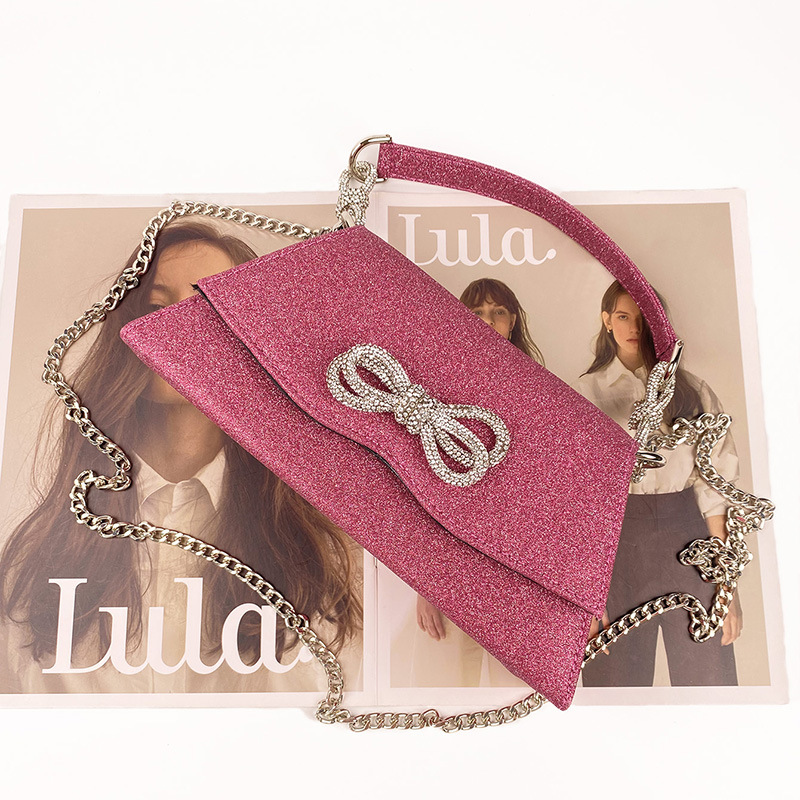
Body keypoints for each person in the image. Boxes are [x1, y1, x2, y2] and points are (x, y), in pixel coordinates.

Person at [0, 220, 362, 694]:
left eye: (207, 309)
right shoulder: (39, 557)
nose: (175, 328)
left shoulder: (320, 555)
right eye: (155, 306)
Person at [574, 280, 740, 687]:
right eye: (623, 316)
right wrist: (584, 596)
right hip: (616, 547)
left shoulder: (692, 391)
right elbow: (575, 500)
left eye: (645, 319)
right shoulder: (583, 394)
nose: (634, 328)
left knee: (708, 680)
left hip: (688, 536)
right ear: (606, 321)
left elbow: (715, 491)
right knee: (615, 683)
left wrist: (727, 588)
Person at [408, 278, 541, 687]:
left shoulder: (538, 389)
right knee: (448, 686)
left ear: (512, 320)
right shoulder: (438, 384)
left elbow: (543, 488)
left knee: (516, 688)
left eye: (498, 312)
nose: (488, 321)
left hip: (518, 555)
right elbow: (425, 486)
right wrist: (427, 583)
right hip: (455, 553)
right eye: (477, 312)